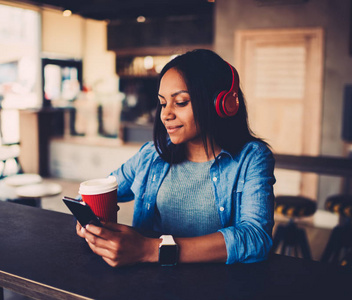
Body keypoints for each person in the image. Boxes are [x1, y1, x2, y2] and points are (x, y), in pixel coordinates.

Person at [76, 49, 276, 267]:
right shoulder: (151, 155)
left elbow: (256, 238)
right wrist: (88, 215)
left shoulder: (252, 158)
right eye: (163, 103)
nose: (165, 114)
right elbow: (106, 188)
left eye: (180, 102)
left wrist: (150, 249)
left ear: (220, 103)